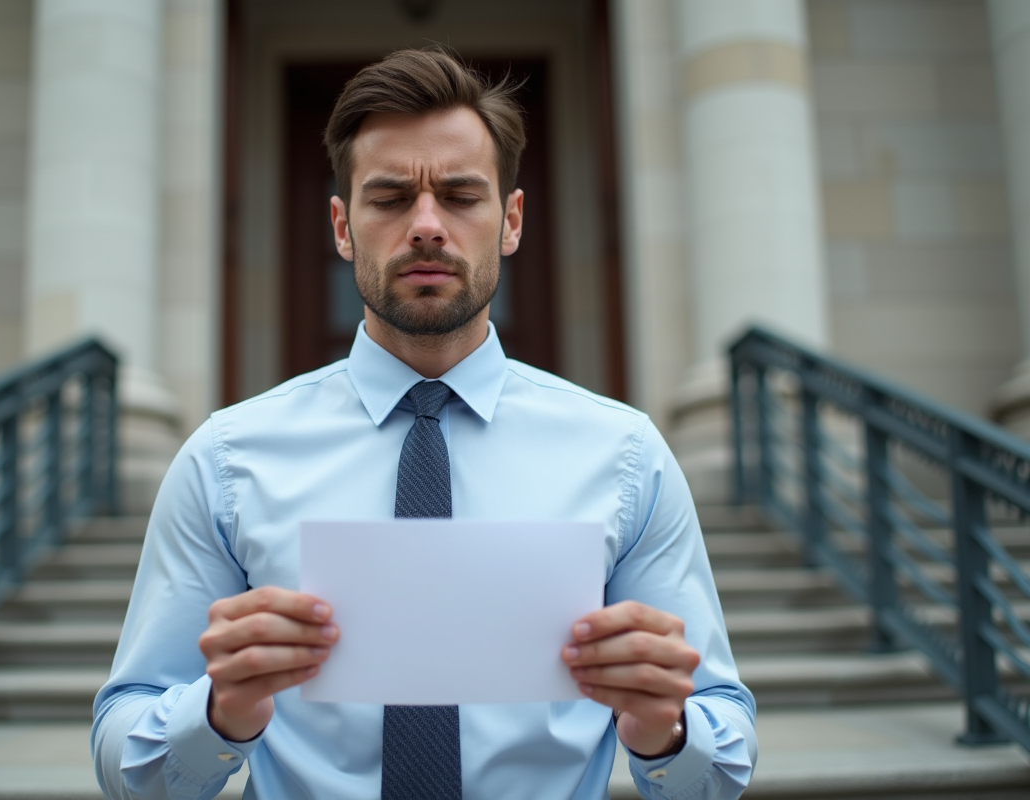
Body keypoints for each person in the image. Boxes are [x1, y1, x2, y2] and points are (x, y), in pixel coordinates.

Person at [92, 47, 757, 800]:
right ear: (342, 227)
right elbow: (126, 764)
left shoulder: (628, 457)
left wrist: (664, 730)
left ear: (510, 220)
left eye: (461, 195)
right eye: (389, 198)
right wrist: (216, 714)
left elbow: (722, 762)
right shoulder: (225, 462)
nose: (427, 225)